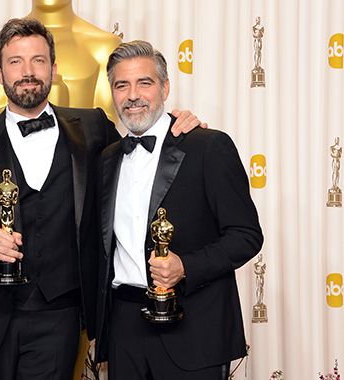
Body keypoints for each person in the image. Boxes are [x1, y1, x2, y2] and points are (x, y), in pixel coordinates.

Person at [0, 18, 203, 380]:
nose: (28, 72)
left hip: (61, 317)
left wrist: (180, 125)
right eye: (16, 62)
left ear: (54, 68)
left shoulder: (94, 127)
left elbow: (143, 154)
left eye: (38, 60)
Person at [95, 40, 263, 379]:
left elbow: (246, 236)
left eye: (145, 82)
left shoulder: (208, 146)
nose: (132, 95)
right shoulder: (107, 158)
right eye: (121, 85)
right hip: (124, 330)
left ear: (165, 87)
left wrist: (185, 266)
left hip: (194, 329)